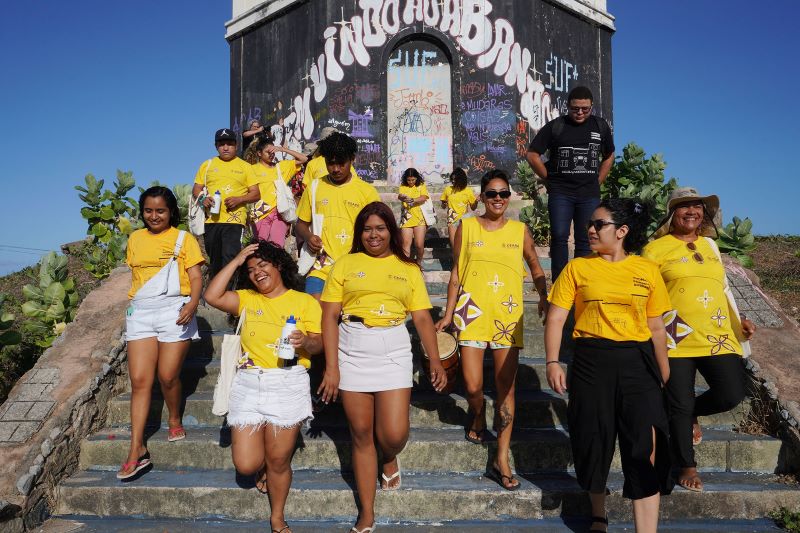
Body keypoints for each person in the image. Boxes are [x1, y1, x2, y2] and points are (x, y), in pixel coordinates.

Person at [318, 202, 447, 533]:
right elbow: (329, 315)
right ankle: (367, 513)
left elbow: (420, 316)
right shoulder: (345, 264)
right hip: (352, 346)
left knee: (393, 433)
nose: (373, 234)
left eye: (380, 228)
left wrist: (434, 359)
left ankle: (388, 456)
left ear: (391, 230)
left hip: (393, 347)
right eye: (367, 229)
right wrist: (331, 367)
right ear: (360, 233)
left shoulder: (408, 268)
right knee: (360, 434)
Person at [545, 198, 672, 533]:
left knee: (643, 447)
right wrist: (553, 360)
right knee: (593, 439)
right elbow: (556, 318)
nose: (589, 229)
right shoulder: (578, 268)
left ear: (622, 231)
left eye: (598, 224)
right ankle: (598, 513)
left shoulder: (647, 270)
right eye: (590, 223)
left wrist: (664, 370)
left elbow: (657, 326)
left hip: (639, 363)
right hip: (590, 362)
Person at [435, 169, 548, 491]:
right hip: (471, 312)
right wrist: (447, 313)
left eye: (503, 193)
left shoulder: (520, 230)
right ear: (482, 197)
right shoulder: (466, 227)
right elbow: (457, 271)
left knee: (506, 389)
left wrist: (543, 295)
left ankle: (501, 457)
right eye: (492, 193)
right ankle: (477, 413)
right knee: (472, 385)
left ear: (509, 197)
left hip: (507, 316)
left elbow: (535, 266)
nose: (498, 199)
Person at [642, 187, 756, 493]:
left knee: (731, 393)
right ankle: (687, 466)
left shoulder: (710, 246)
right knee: (678, 403)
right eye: (684, 206)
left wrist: (739, 322)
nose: (692, 211)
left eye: (697, 206)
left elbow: (724, 289)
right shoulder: (655, 250)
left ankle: (692, 412)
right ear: (672, 213)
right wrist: (664, 329)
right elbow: (647, 294)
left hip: (718, 334)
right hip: (675, 335)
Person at [204, 240, 322, 533]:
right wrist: (237, 258)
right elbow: (211, 295)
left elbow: (319, 343)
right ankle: (263, 467)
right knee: (246, 464)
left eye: (263, 265)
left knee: (279, 460)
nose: (257, 273)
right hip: (249, 383)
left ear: (278, 264)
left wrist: (304, 342)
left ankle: (277, 516)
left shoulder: (304, 301)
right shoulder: (247, 298)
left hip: (288, 381)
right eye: (251, 269)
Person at [118, 186, 204, 480]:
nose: (154, 216)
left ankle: (174, 416)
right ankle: (136, 448)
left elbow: (195, 275)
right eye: (148, 211)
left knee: (167, 376)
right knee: (140, 381)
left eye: (161, 211)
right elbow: (136, 276)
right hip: (140, 312)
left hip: (174, 310)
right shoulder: (135, 239)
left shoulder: (184, 239)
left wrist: (192, 304)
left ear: (171, 212)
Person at [526, 86, 615, 283]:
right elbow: (532, 154)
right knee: (559, 236)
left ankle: (580, 282)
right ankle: (559, 283)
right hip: (561, 193)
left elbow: (609, 156)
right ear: (568, 107)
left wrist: (598, 180)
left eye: (585, 108)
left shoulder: (600, 127)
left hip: (588, 194)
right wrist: (548, 178)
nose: (580, 113)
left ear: (592, 107)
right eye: (575, 109)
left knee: (586, 239)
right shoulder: (556, 126)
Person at [295, 131, 380, 299]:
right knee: (315, 310)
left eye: (341, 163)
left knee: (346, 315)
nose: (335, 169)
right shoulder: (315, 187)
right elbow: (300, 224)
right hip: (321, 266)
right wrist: (309, 237)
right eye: (330, 163)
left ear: (352, 159)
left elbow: (377, 229)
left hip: (355, 265)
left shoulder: (367, 192)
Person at [192, 128, 260, 280]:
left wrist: (239, 199)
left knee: (231, 257)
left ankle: (229, 295)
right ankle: (216, 297)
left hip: (235, 221)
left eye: (229, 144)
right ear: (216, 146)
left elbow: (256, 194)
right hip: (211, 220)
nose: (226, 147)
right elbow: (196, 189)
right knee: (215, 260)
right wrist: (204, 199)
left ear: (236, 145)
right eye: (222, 144)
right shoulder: (207, 165)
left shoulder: (245, 166)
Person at [250, 135, 308, 247]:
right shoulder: (252, 169)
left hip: (280, 212)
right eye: (268, 151)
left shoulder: (281, 167)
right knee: (260, 247)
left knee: (278, 247)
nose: (271, 154)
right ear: (259, 153)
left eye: (273, 151)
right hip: (260, 212)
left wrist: (282, 149)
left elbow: (304, 159)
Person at [440, 167, 478, 249]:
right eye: (452, 179)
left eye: (455, 179)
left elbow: (473, 208)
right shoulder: (447, 189)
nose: (453, 181)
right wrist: (444, 204)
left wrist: (476, 202)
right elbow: (443, 207)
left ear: (461, 180)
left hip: (464, 221)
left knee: (464, 247)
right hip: (452, 220)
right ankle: (456, 262)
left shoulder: (468, 191)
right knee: (454, 247)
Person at [397, 167, 429, 263]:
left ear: (417, 178)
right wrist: (402, 197)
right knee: (406, 244)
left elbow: (424, 197)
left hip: (420, 219)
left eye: (413, 180)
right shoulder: (403, 186)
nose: (411, 182)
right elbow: (400, 195)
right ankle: (406, 265)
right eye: (409, 180)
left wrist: (413, 200)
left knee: (419, 244)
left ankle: (419, 262)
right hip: (406, 219)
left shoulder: (421, 186)